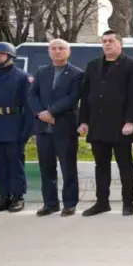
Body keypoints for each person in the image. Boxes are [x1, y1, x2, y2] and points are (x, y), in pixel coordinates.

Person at [79, 30, 133, 216]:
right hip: (97, 124)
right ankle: (102, 202)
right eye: (104, 41)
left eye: (111, 41)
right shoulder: (93, 66)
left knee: (125, 164)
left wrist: (130, 121)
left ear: (119, 44)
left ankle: (128, 203)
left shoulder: (132, 66)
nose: (107, 44)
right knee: (101, 165)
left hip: (121, 125)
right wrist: (83, 121)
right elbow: (86, 95)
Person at [28, 39, 83, 216]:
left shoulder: (77, 74)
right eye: (54, 48)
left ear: (69, 52)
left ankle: (70, 203)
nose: (57, 51)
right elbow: (32, 94)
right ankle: (50, 203)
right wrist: (40, 113)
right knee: (46, 167)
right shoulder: (42, 72)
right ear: (49, 52)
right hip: (44, 129)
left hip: (65, 127)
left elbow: (72, 98)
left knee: (68, 167)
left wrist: (51, 112)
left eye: (61, 48)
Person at [0, 42, 34, 212]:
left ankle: (18, 197)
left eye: (1, 54)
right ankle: (4, 197)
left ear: (10, 56)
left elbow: (28, 105)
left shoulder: (22, 77)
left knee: (15, 165)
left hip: (13, 125)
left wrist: (27, 130)